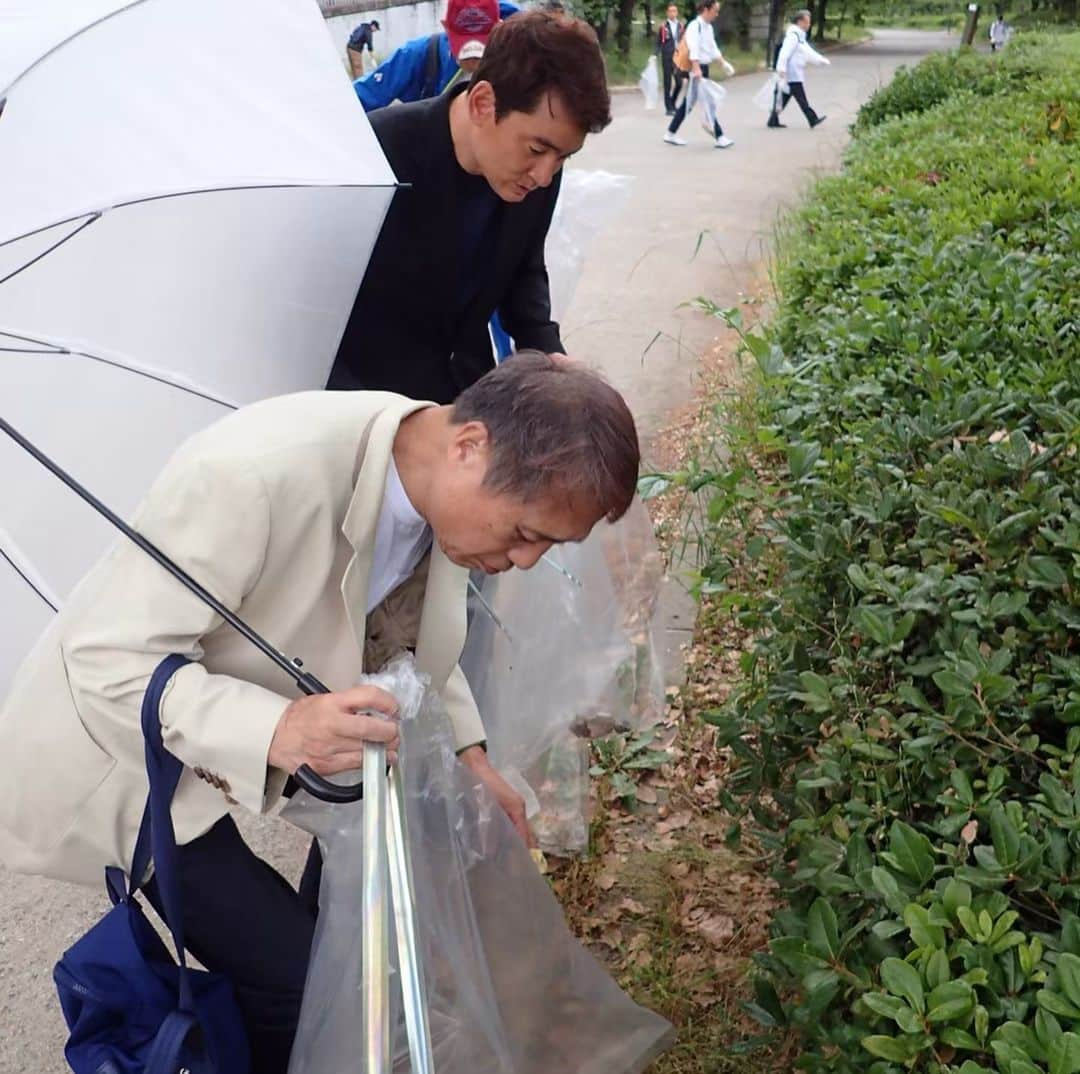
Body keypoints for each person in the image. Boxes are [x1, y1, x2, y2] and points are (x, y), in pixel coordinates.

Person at [0, 354, 641, 1074]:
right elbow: (106, 660)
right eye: (526, 534)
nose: (525, 561)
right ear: (470, 448)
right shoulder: (252, 476)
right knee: (295, 980)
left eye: (549, 546)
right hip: (123, 751)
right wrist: (277, 730)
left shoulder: (436, 478)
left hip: (245, 713)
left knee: (350, 938)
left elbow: (397, 630)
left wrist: (471, 755)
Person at [329, 11, 612, 403]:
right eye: (537, 149)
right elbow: (313, 322)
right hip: (368, 415)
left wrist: (547, 351)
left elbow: (522, 268)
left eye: (564, 157)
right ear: (482, 103)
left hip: (467, 398)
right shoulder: (377, 157)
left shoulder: (538, 167)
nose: (545, 176)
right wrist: (385, 423)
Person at [353, 0, 517, 111]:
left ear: (499, 27)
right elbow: (361, 98)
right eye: (464, 41)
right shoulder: (417, 55)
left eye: (482, 39)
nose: (473, 57)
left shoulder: (521, 57)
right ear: (446, 27)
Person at [663, 0, 735, 149]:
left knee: (688, 104)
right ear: (706, 9)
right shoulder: (695, 26)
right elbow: (693, 48)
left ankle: (671, 133)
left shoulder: (707, 27)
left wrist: (723, 63)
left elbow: (712, 48)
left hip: (702, 68)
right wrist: (696, 69)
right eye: (715, 10)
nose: (717, 14)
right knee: (707, 102)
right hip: (697, 69)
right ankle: (719, 135)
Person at [768, 8, 829, 129]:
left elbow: (808, 52)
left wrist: (821, 60)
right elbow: (784, 53)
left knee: (785, 96)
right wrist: (781, 69)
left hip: (793, 72)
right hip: (791, 73)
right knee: (801, 98)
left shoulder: (799, 36)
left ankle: (773, 120)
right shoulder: (793, 36)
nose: (809, 24)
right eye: (807, 22)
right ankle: (812, 119)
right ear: (800, 22)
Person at [656, 3, 685, 116]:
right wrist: (655, 54)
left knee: (679, 82)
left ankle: (672, 102)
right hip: (667, 56)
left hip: (678, 58)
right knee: (667, 82)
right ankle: (668, 108)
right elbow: (658, 42)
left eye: (674, 11)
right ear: (667, 13)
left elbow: (685, 41)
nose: (672, 13)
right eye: (670, 11)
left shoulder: (681, 26)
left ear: (677, 13)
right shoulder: (663, 26)